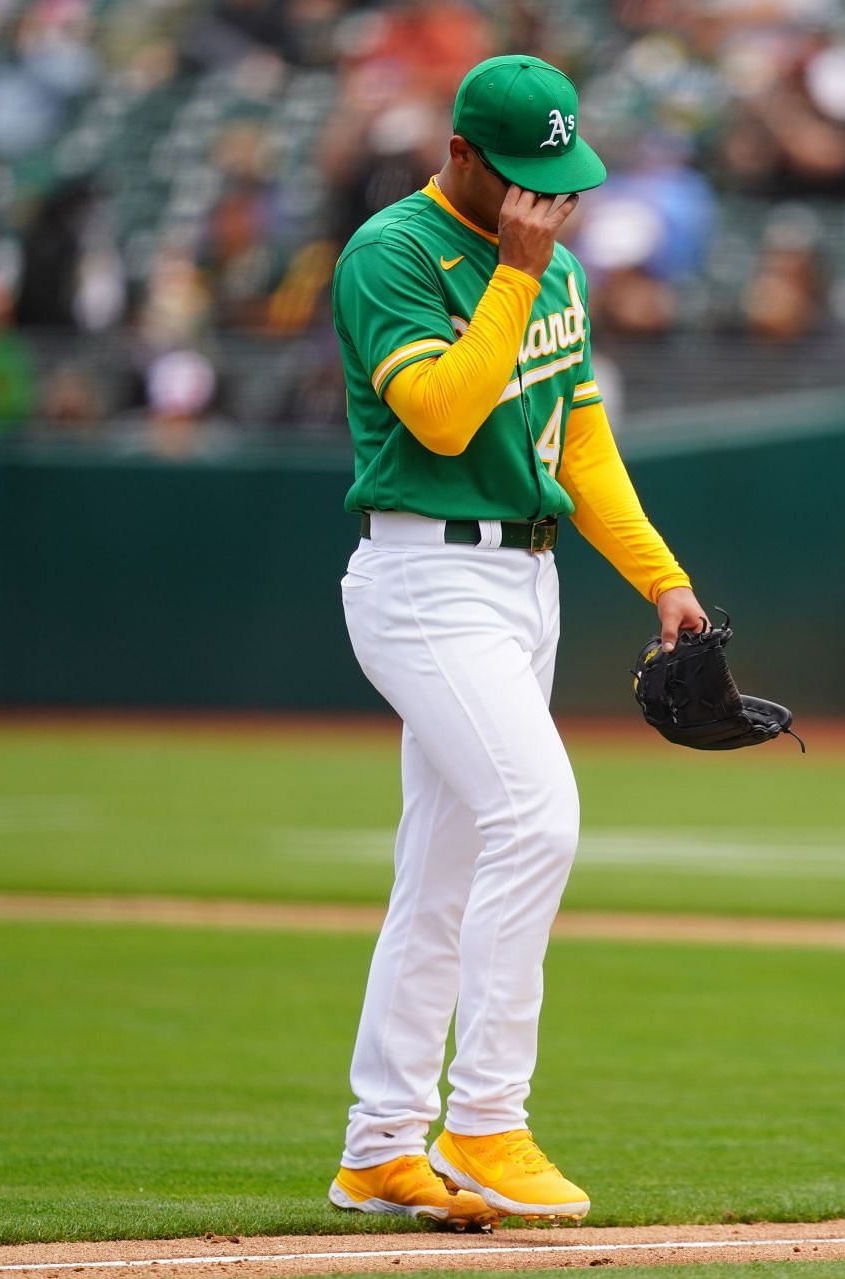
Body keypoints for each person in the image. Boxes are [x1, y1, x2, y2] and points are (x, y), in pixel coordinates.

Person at [326, 54, 708, 1230]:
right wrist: (515, 273)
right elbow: (438, 415)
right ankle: (486, 1119)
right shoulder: (391, 252)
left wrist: (662, 577)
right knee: (536, 815)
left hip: (524, 579)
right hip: (424, 572)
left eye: (565, 175)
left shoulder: (556, 273)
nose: (555, 199)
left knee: (438, 877)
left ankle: (380, 1146)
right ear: (461, 159)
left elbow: (579, 443)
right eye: (530, 178)